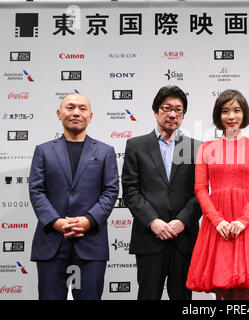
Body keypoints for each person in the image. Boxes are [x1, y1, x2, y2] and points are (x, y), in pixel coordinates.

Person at [186, 89, 249, 300]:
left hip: (246, 225)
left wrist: (243, 221)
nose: (231, 116)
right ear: (219, 115)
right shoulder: (206, 149)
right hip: (218, 226)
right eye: (225, 111)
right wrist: (217, 221)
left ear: (244, 114)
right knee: (222, 290)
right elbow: (200, 188)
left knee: (245, 287)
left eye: (237, 110)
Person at [29, 93, 119, 300]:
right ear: (59, 114)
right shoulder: (43, 151)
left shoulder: (105, 151)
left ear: (91, 116)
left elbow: (111, 190)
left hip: (91, 242)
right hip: (52, 241)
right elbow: (36, 190)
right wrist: (56, 222)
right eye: (70, 108)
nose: (76, 113)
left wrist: (88, 220)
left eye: (82, 108)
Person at [122, 85, 202, 300]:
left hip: (183, 238)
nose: (172, 114)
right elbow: (130, 191)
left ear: (183, 115)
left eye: (178, 109)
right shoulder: (136, 146)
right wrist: (153, 222)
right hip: (149, 237)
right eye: (167, 108)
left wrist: (181, 221)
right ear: (155, 111)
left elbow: (201, 192)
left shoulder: (196, 148)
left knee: (183, 298)